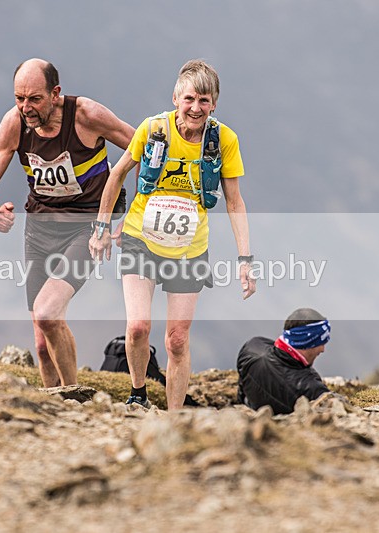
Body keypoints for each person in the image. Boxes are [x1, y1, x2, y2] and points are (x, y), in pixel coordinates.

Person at [89, 59, 256, 410]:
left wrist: (245, 259)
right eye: (190, 99)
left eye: (205, 101)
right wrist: (102, 228)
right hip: (140, 237)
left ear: (214, 104)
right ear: (176, 98)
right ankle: (138, 394)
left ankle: (175, 419)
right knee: (137, 327)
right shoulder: (153, 130)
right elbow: (117, 174)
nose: (196, 108)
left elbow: (235, 201)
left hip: (189, 248)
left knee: (177, 340)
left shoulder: (224, 140)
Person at [0, 58, 135, 387]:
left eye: (34, 99)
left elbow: (146, 148)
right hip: (40, 228)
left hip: (87, 227)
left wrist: (131, 215)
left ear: (55, 94)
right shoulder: (14, 123)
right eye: (19, 98)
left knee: (47, 314)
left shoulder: (87, 115)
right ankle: (55, 406)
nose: (26, 108)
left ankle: (74, 398)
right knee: (42, 343)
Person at [236, 308, 331, 414]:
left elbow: (242, 387)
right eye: (321, 342)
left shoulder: (252, 348)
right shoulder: (311, 389)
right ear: (308, 342)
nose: (323, 349)